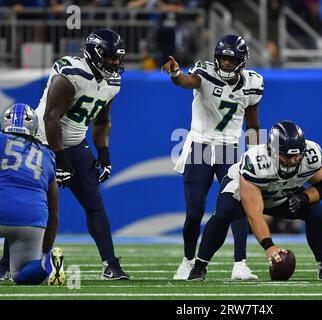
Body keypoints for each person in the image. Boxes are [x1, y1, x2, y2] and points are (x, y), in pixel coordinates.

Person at [0, 29, 130, 280]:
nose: (115, 63)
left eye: (118, 58)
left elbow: (102, 122)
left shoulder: (113, 82)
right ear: (95, 54)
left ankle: (110, 265)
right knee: (33, 203)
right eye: (111, 57)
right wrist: (60, 157)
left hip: (74, 142)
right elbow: (51, 117)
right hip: (42, 142)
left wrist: (104, 153)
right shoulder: (71, 73)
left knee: (95, 204)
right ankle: (6, 263)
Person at [188, 120, 322, 281]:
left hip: (279, 193)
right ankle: (200, 266)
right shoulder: (257, 163)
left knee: (314, 210)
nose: (291, 160)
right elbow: (254, 214)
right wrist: (269, 246)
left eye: (296, 155)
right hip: (241, 192)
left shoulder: (311, 155)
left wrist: (303, 197)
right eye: (285, 155)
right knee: (224, 213)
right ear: (273, 150)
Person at [161, 34, 263, 280]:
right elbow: (187, 81)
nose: (226, 63)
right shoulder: (204, 72)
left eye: (232, 59)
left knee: (237, 208)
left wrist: (255, 156)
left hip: (229, 148)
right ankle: (187, 261)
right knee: (195, 211)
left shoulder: (253, 82)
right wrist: (176, 74)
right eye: (223, 59)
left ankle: (240, 263)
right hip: (201, 145)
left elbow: (253, 124)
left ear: (241, 61)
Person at [0, 103, 64, 286]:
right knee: (22, 275)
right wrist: (45, 251)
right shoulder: (47, 155)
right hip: (31, 218)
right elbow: (54, 213)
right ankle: (45, 264)